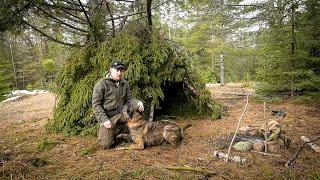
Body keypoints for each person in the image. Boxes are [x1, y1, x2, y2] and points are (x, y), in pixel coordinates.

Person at [92, 61, 144, 149]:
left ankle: (127, 132)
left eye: (121, 71)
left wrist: (138, 103)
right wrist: (104, 120)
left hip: (122, 114)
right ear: (111, 70)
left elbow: (129, 99)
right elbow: (96, 105)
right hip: (109, 117)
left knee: (137, 109)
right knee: (105, 145)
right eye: (117, 70)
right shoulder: (101, 84)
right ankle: (113, 132)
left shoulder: (124, 83)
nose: (120, 73)